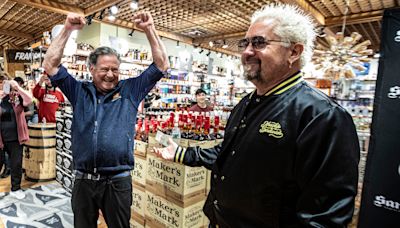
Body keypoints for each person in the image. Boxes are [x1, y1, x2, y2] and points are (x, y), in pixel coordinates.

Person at [154, 3, 360, 227]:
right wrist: (181, 153)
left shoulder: (322, 116)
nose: (246, 52)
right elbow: (229, 154)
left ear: (294, 51)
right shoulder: (246, 103)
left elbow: (325, 216)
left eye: (259, 42)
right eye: (245, 43)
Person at [43, 12, 168, 228]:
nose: (110, 74)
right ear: (91, 69)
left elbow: (161, 66)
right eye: (104, 69)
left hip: (118, 181)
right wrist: (67, 29)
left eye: (115, 70)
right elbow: (50, 64)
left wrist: (150, 29)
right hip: (83, 180)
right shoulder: (78, 91)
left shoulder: (130, 90)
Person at [0, 73, 32, 199]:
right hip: (1, 138)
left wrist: (18, 88)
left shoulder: (16, 97)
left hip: (16, 138)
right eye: (0, 83)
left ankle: (15, 188)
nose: (2, 85)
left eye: (4, 82)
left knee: (16, 164)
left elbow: (29, 100)